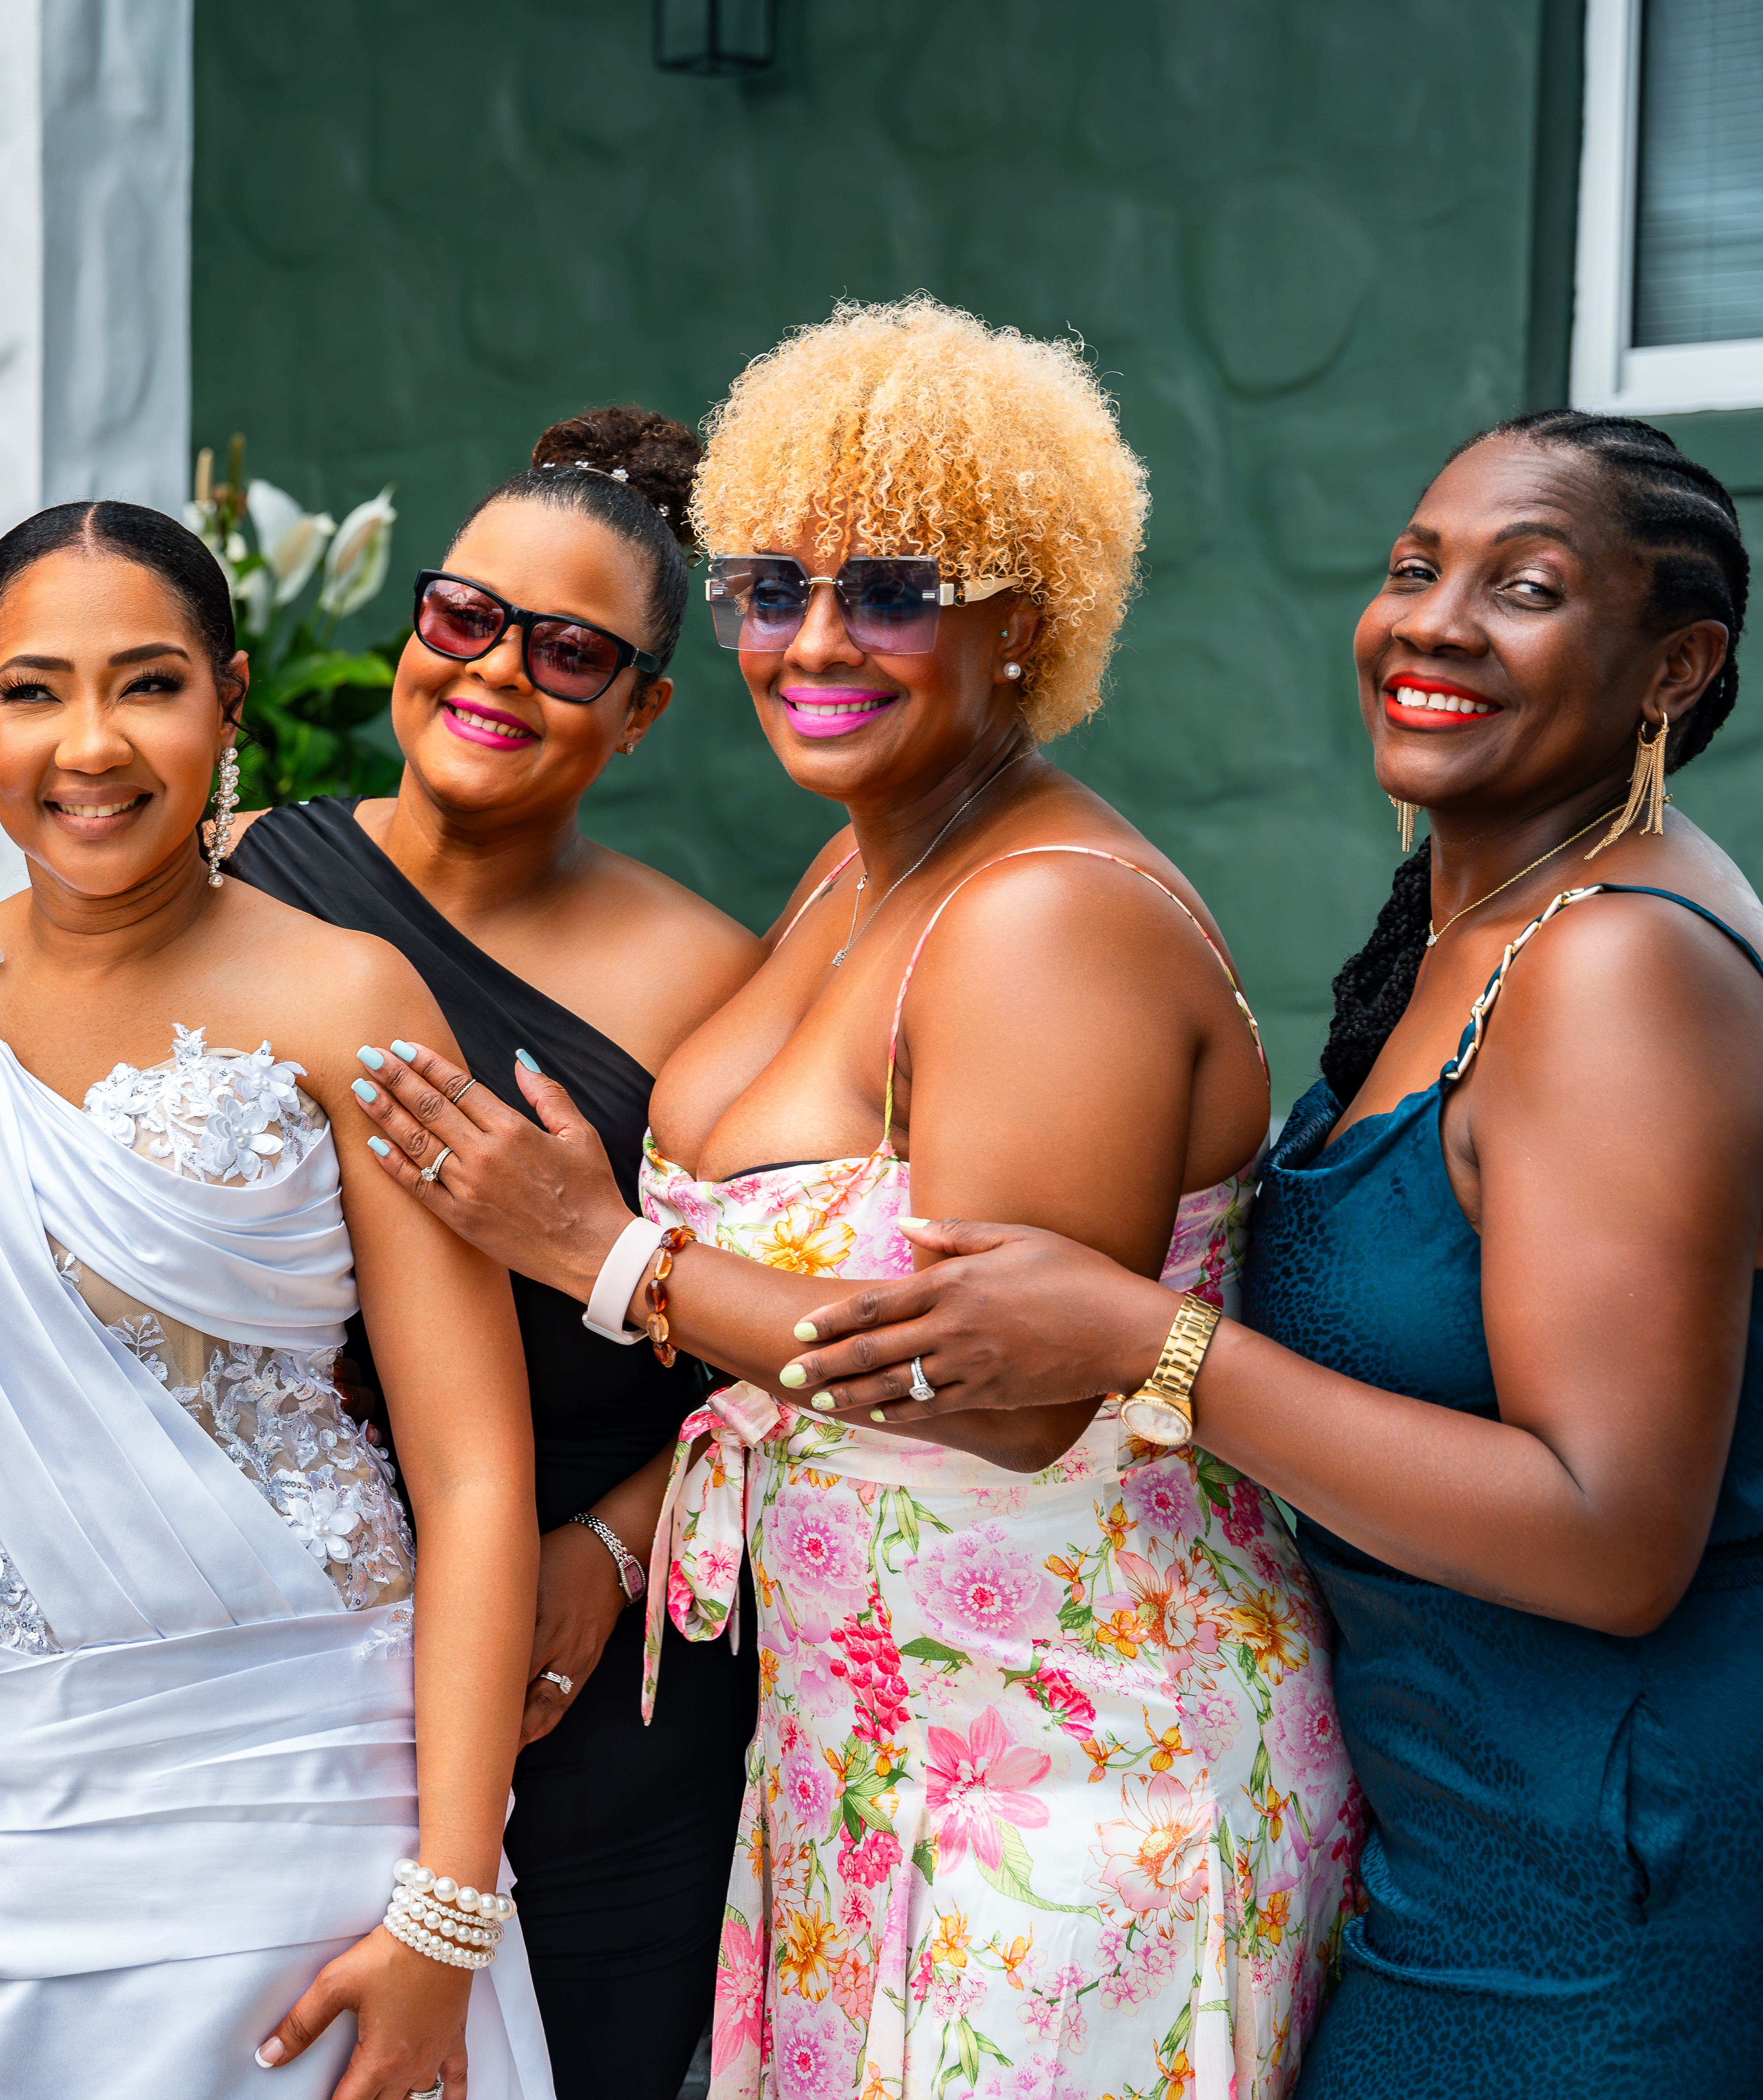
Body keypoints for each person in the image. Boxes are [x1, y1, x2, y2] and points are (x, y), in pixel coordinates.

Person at [342, 299, 1361, 2096]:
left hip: (1068, 1769)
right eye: (770, 585)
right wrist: (624, 1526)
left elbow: (1022, 1388)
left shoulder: (1045, 915)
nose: (813, 639)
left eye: (892, 587)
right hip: (865, 1736)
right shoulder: (862, 858)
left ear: (1026, 617)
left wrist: (601, 1250)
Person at [767, 410, 1763, 2095]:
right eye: (1412, 570)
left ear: (1673, 667)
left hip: (1591, 1888)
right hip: (1451, 1841)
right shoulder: (1489, 926)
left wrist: (1143, 1341)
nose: (1433, 623)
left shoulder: (1618, 971)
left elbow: (1613, 1541)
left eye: (1522, 587)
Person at [0, 499, 554, 2098]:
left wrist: (448, 1908)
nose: (92, 744)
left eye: (148, 683)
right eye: (36, 689)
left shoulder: (350, 999)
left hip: (296, 1800)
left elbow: (473, 1474)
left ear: (230, 699)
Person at [225, 406, 762, 2096]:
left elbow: (788, 1359)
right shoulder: (244, 877)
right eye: (463, 618)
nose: (496, 673)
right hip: (279, 1647)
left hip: (575, 1677)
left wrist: (609, 1554)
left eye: (569, 651)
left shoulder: (714, 984)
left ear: (642, 711)